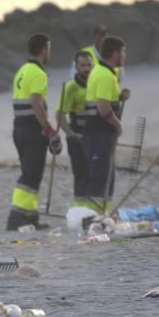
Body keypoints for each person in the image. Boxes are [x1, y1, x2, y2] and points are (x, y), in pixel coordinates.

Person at [6, 33, 61, 230]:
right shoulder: (39, 74)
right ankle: (17, 218)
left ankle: (30, 218)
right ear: (44, 48)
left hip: (19, 127)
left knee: (31, 173)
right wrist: (49, 130)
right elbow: (36, 102)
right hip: (32, 130)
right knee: (30, 175)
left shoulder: (22, 71)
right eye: (50, 48)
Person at [83, 36, 127, 214]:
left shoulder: (106, 72)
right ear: (115, 53)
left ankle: (104, 214)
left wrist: (120, 98)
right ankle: (94, 216)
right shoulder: (104, 75)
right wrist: (118, 125)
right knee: (100, 176)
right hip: (98, 133)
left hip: (100, 133)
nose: (125, 55)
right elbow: (102, 108)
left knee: (107, 175)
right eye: (124, 51)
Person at [57, 50, 94, 210]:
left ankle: (93, 209)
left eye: (89, 65)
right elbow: (59, 114)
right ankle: (80, 209)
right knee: (81, 176)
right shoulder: (71, 87)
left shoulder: (97, 83)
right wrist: (71, 135)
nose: (86, 68)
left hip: (96, 137)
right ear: (76, 67)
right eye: (82, 65)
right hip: (78, 138)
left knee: (95, 175)